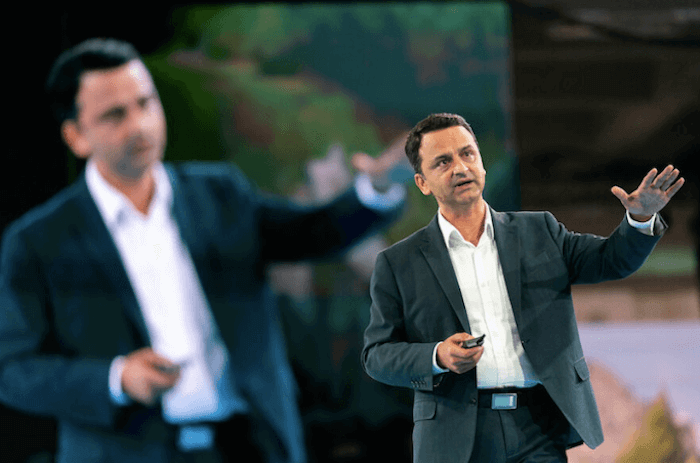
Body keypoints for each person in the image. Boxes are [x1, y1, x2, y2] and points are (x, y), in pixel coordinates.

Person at [0, 38, 406, 463]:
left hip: (248, 447)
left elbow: (314, 233)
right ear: (76, 136)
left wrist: (380, 185)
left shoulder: (220, 195)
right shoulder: (38, 242)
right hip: (125, 453)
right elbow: (13, 371)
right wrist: (116, 378)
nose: (140, 125)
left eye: (145, 103)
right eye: (115, 115)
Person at [361, 113, 684, 463]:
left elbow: (611, 260)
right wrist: (437, 356)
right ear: (422, 183)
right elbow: (377, 356)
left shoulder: (539, 231)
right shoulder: (399, 262)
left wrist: (639, 219)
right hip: (456, 433)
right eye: (443, 162)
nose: (460, 168)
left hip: (537, 429)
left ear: (482, 163)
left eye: (467, 154)